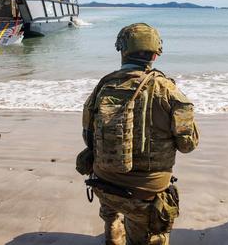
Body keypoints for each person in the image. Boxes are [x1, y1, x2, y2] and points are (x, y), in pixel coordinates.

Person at [79, 23, 200, 245]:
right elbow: (188, 145)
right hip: (144, 196)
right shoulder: (168, 91)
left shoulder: (102, 87)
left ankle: (114, 236)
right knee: (152, 235)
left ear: (121, 50)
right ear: (156, 53)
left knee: (112, 215)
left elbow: (88, 137)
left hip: (104, 186)